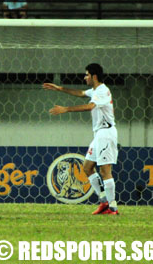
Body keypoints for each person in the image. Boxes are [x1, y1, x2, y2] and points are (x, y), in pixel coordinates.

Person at [43, 63, 119, 215]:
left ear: (94, 76)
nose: (85, 77)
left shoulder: (103, 91)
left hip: (106, 133)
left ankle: (113, 207)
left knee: (105, 171)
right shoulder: (96, 90)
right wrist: (60, 89)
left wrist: (66, 109)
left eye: (86, 75)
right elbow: (81, 93)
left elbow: (90, 106)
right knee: (87, 167)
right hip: (99, 134)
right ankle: (104, 201)